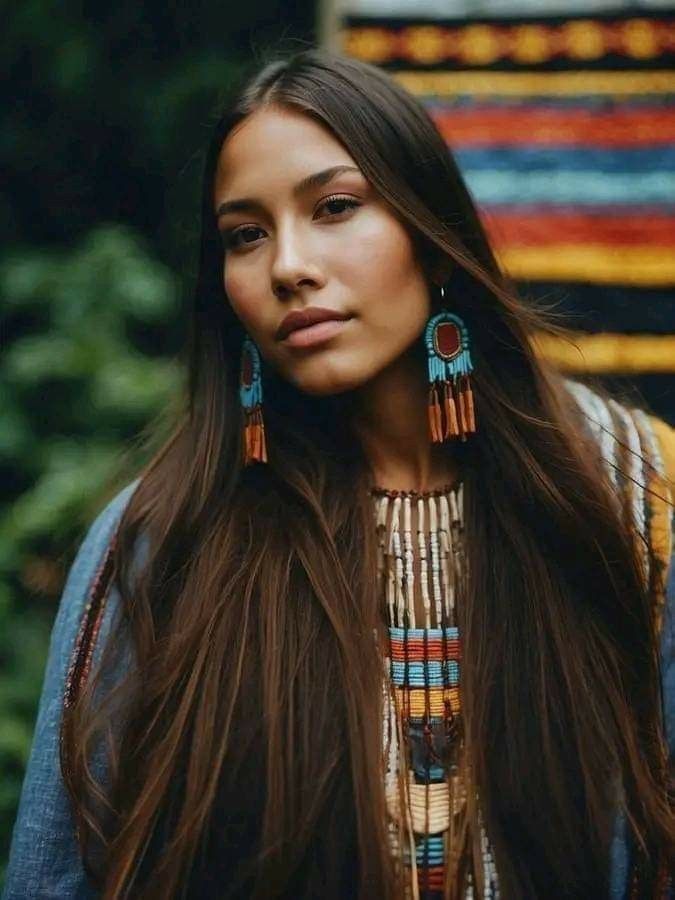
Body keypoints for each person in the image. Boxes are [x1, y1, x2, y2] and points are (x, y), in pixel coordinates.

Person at [3, 48, 674, 900]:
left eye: (335, 207)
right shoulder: (163, 538)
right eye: (245, 235)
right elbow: (57, 875)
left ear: (433, 239)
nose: (287, 265)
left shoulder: (628, 492)